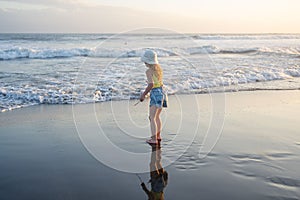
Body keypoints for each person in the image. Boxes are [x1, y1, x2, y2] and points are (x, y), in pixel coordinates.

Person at [140, 50, 164, 144]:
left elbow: (151, 85)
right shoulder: (159, 70)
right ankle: (158, 136)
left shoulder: (148, 71)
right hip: (161, 93)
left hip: (155, 93)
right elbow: (158, 83)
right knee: (157, 117)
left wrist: (143, 94)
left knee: (151, 117)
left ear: (147, 61)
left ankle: (154, 139)